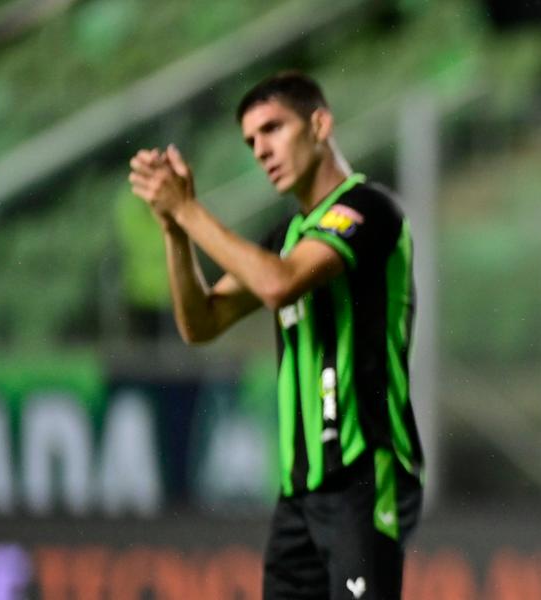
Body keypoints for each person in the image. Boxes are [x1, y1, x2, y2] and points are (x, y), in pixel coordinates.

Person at [128, 71, 423, 600]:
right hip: (299, 493)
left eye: (272, 129)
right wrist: (174, 231)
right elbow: (202, 323)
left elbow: (278, 284)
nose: (261, 150)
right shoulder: (284, 238)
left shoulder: (369, 209)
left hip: (364, 474)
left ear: (319, 123)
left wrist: (188, 209)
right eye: (250, 141)